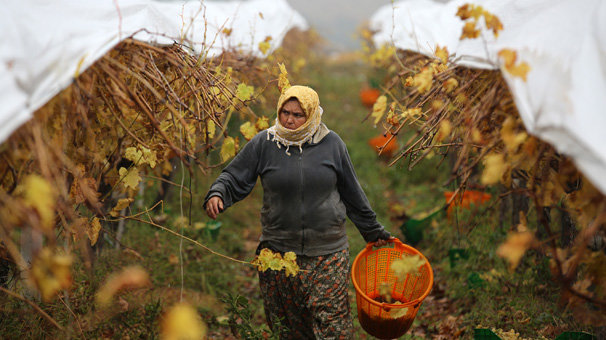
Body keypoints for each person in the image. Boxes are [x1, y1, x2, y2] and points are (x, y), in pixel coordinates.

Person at [204, 85, 393, 339]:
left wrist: (372, 231)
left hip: (328, 253)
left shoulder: (332, 144)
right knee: (291, 330)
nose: (290, 120)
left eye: (298, 114)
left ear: (312, 114)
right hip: (279, 255)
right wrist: (218, 194)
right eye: (285, 112)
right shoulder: (265, 143)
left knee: (333, 327)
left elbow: (352, 193)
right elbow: (233, 176)